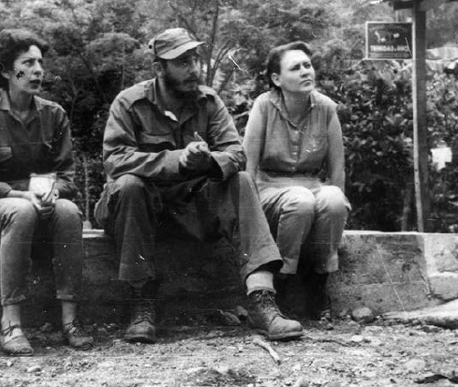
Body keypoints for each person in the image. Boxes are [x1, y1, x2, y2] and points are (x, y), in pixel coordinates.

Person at [94, 27, 303, 343]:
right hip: (141, 213)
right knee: (129, 186)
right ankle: (141, 302)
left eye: (194, 58)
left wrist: (208, 162)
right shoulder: (130, 103)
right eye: (181, 62)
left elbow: (236, 152)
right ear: (159, 68)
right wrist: (177, 160)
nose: (192, 68)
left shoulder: (209, 101)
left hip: (192, 213)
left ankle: (261, 299)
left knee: (241, 181)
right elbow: (115, 160)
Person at [0, 29, 93, 356]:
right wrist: (23, 196)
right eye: (27, 63)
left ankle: (71, 320)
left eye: (40, 62)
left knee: (69, 211)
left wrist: (50, 191)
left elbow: (67, 178)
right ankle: (11, 324)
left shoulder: (54, 115)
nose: (38, 70)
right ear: (8, 71)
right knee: (21, 211)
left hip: (43, 206)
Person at [242, 41, 350, 323]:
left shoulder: (326, 108)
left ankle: (318, 284)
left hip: (311, 186)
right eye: (296, 67)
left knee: (335, 199)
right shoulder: (264, 106)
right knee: (300, 200)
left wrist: (336, 207)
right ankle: (285, 283)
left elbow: (337, 170)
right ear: (277, 79)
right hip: (269, 189)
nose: (305, 72)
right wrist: (251, 218)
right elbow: (248, 167)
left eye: (307, 65)